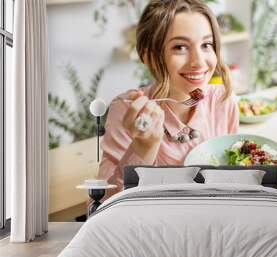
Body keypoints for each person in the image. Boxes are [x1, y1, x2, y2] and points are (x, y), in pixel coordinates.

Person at [98, 0, 239, 197]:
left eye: (207, 44)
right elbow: (102, 207)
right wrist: (143, 148)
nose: (198, 62)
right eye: (180, 47)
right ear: (149, 57)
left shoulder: (223, 100)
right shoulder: (127, 110)